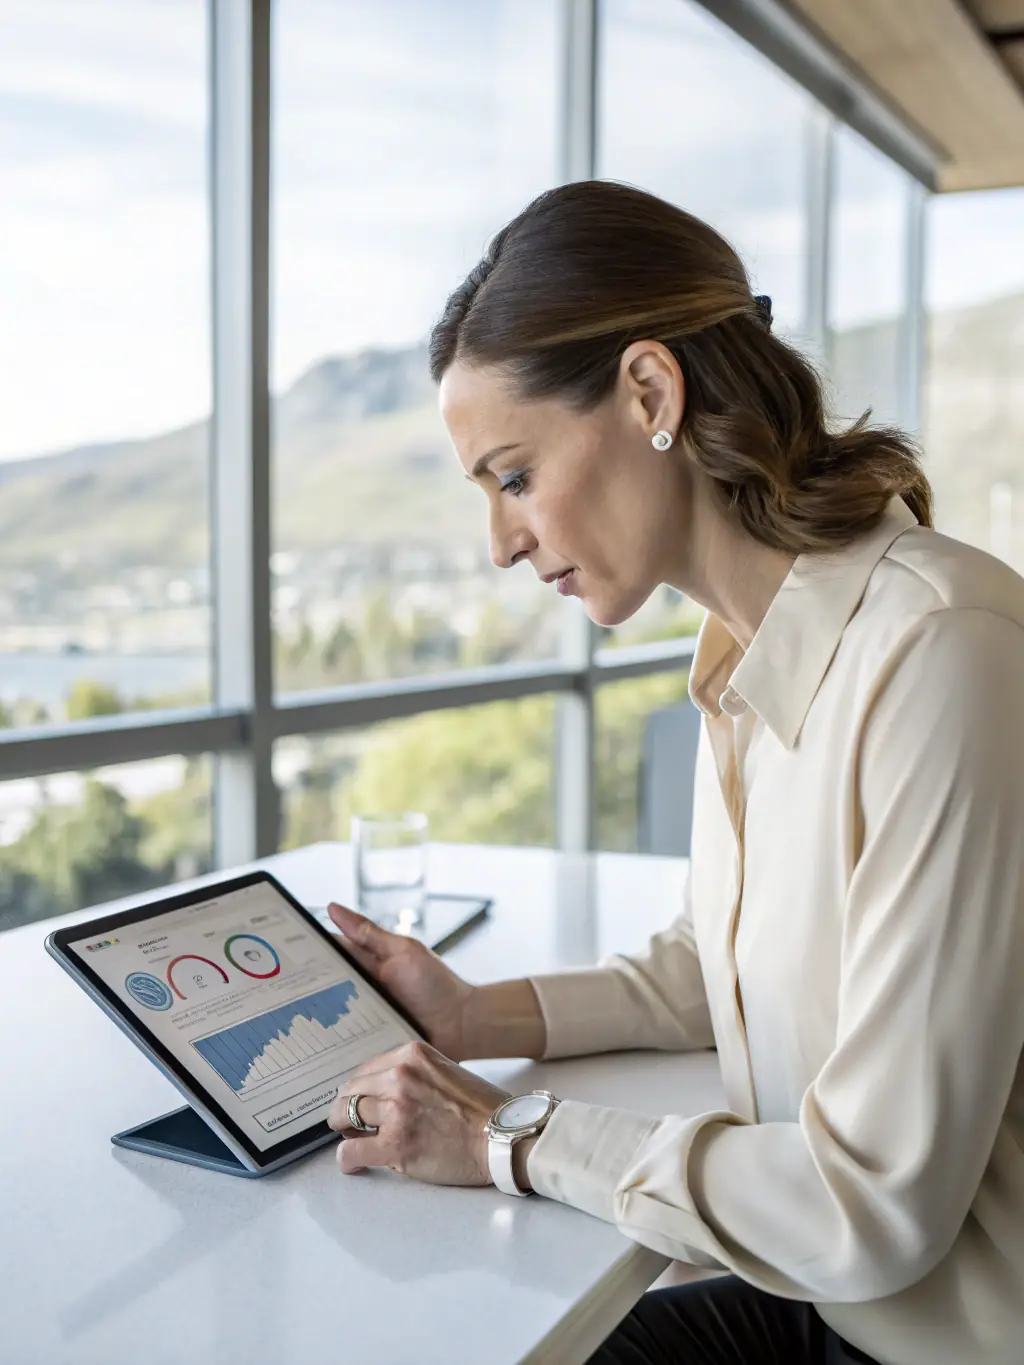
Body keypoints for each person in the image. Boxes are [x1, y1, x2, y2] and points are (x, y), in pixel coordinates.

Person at [324, 180, 1024, 1364]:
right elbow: (717, 960)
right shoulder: (742, 662)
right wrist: (473, 1015)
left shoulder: (941, 654)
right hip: (827, 1301)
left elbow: (877, 1202)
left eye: (513, 476)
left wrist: (507, 1136)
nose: (499, 542)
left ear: (649, 391)